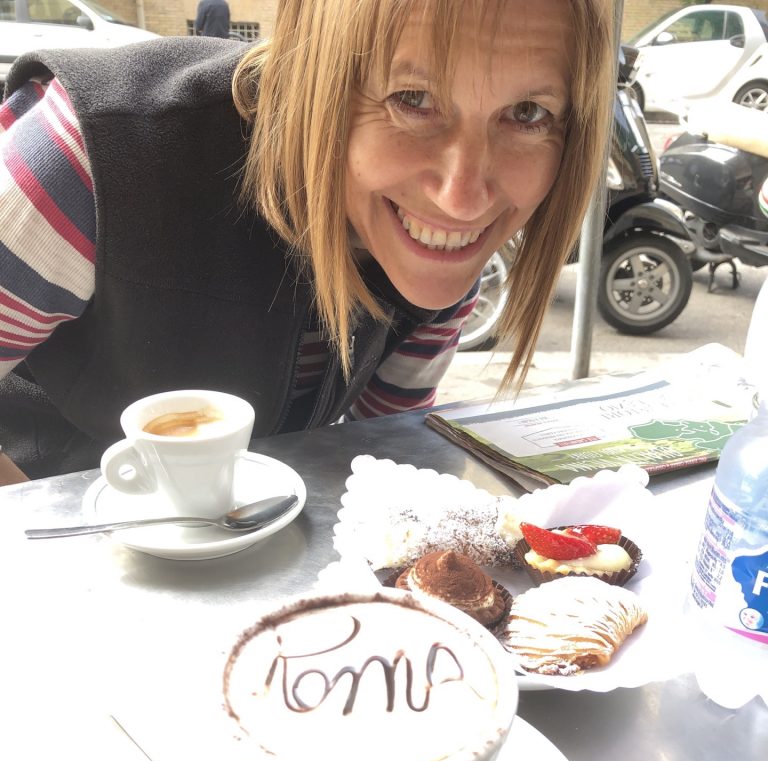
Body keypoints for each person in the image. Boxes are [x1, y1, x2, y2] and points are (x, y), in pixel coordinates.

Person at [0, 0, 616, 485]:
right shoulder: (88, 162)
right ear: (315, 78)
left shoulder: (440, 242)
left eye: (528, 113)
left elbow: (384, 451)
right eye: (413, 99)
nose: (463, 198)